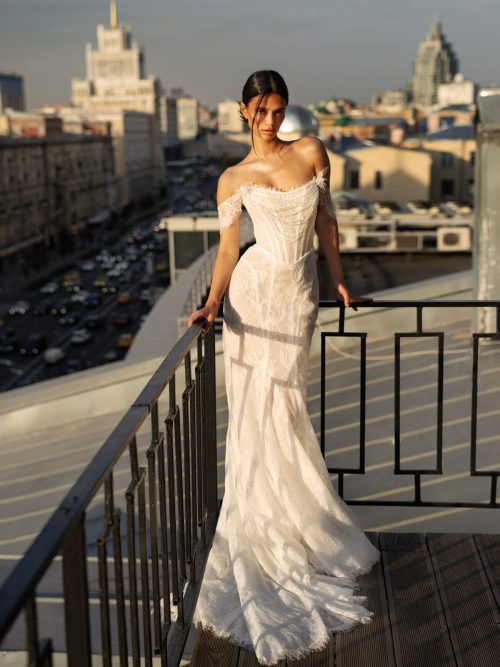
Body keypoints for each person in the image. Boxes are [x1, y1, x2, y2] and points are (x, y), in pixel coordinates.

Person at [187, 70, 381, 665]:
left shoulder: (312, 151)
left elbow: (327, 223)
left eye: (279, 109)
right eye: (262, 110)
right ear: (244, 111)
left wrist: (342, 281)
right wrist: (214, 303)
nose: (272, 120)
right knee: (258, 408)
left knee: (288, 403)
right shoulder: (233, 178)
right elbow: (226, 250)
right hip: (252, 295)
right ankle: (266, 530)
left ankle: (300, 524)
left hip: (298, 295)